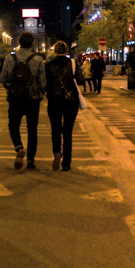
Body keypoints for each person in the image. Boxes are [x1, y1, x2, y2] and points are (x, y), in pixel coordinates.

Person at [0, 32, 46, 170]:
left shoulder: (10, 58)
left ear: (19, 43)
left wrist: (10, 88)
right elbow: (43, 82)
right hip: (32, 99)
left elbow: (3, 78)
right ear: (32, 43)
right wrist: (40, 93)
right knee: (32, 130)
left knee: (13, 125)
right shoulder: (37, 59)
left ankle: (19, 147)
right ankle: (31, 160)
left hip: (15, 98)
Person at [45, 41, 84, 172]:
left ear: (55, 51)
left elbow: (44, 85)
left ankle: (57, 153)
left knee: (55, 129)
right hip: (70, 101)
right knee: (68, 132)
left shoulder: (49, 65)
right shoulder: (72, 63)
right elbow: (81, 80)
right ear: (66, 51)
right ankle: (66, 163)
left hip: (54, 101)